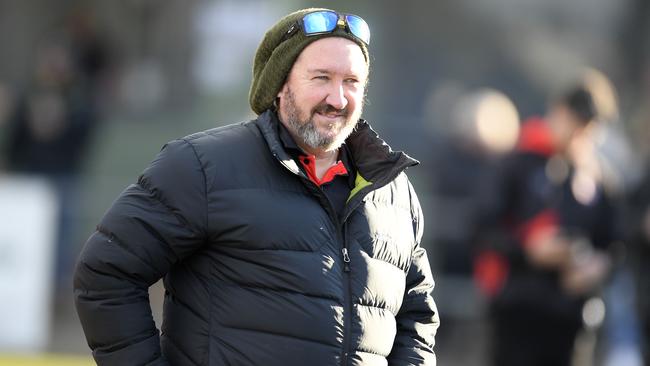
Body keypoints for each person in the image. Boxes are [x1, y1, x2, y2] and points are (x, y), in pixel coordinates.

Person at [73, 8, 439, 366]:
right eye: (321, 78)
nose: (338, 99)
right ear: (279, 86)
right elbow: (106, 274)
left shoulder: (393, 190)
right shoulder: (203, 166)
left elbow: (416, 318)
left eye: (351, 82)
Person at [473, 87, 616, 366]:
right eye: (575, 122)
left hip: (571, 316)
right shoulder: (517, 164)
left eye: (587, 128)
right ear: (558, 112)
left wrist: (599, 265)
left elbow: (613, 240)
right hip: (518, 310)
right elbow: (483, 230)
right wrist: (530, 250)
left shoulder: (598, 179)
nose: (578, 135)